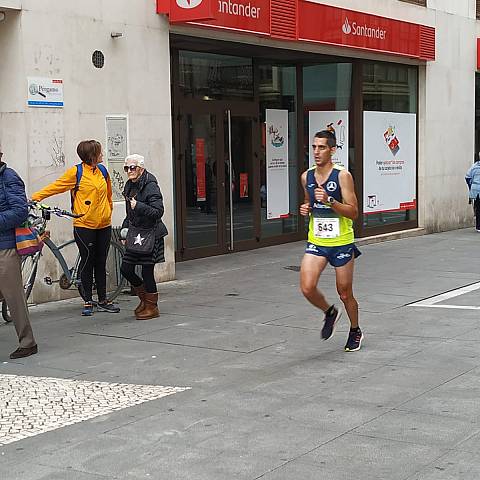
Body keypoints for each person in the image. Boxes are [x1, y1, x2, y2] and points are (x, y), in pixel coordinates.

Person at [31, 140, 120, 316]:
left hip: (103, 225)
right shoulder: (77, 172)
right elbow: (56, 186)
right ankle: (87, 301)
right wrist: (35, 197)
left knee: (101, 262)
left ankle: (103, 300)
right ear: (92, 156)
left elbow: (109, 194)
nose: (102, 155)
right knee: (87, 262)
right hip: (84, 225)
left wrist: (108, 211)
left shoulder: (102, 171)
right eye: (100, 152)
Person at [299, 130, 363, 352]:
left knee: (344, 292)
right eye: (314, 147)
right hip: (317, 240)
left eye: (322, 147)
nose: (316, 152)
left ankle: (355, 329)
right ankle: (330, 312)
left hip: (341, 242)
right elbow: (309, 203)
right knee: (307, 287)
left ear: (333, 150)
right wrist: (306, 208)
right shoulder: (306, 176)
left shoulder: (342, 176)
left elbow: (354, 212)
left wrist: (330, 200)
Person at [0, 143, 38, 358]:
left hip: (5, 247)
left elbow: (19, 212)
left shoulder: (9, 177)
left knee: (14, 297)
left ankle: (27, 342)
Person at [120, 154, 167, 320]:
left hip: (151, 234)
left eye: (132, 168)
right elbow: (129, 213)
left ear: (141, 168)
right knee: (125, 269)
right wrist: (124, 230)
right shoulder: (129, 186)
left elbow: (158, 211)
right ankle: (144, 300)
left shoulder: (151, 185)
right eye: (126, 168)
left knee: (147, 272)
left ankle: (152, 307)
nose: (129, 171)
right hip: (135, 233)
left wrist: (138, 205)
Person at [465, 152, 480, 232]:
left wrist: (471, 186)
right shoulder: (474, 167)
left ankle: (478, 226)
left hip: (475, 190)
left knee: (478, 208)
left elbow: (467, 177)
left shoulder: (474, 166)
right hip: (477, 189)